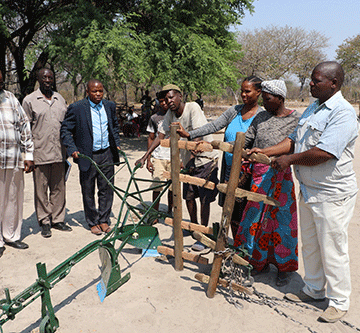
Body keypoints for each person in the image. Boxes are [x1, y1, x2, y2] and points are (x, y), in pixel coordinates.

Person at [250, 62, 358, 323]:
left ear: (334, 83)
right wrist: (266, 153)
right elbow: (294, 140)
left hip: (332, 193)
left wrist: (289, 160)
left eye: (316, 80)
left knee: (332, 248)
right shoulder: (313, 108)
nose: (310, 84)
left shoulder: (342, 113)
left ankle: (339, 301)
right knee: (310, 244)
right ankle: (313, 288)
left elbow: (325, 152)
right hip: (309, 190)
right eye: (311, 79)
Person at [176, 76, 263, 238]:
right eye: (242, 91)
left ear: (258, 92)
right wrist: (190, 134)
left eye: (248, 91)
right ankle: (235, 246)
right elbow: (214, 125)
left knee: (246, 210)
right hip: (229, 168)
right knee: (229, 211)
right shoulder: (235, 111)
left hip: (248, 171)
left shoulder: (262, 115)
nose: (244, 95)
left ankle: (246, 249)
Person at [233, 80, 300, 287]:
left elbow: (292, 144)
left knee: (282, 222)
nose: (264, 101)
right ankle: (257, 262)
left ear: (280, 98)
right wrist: (236, 148)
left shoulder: (295, 118)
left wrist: (264, 152)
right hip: (259, 174)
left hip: (281, 176)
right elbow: (249, 140)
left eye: (268, 98)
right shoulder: (261, 116)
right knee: (255, 218)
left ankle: (283, 267)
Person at [136, 84, 219, 251]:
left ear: (180, 96)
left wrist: (190, 157)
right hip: (189, 162)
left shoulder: (193, 108)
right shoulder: (170, 114)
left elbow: (199, 134)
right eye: (166, 99)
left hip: (204, 160)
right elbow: (160, 135)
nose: (169, 101)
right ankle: (195, 228)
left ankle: (203, 235)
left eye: (172, 97)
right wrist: (146, 156)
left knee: (203, 200)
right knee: (189, 197)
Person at [60, 79, 121, 235]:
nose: (98, 94)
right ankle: (92, 221)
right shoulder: (77, 108)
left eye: (100, 91)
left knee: (106, 189)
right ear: (87, 92)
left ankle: (104, 220)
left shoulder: (109, 106)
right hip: (87, 155)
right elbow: (65, 130)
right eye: (94, 91)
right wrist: (72, 149)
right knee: (88, 190)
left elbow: (114, 126)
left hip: (106, 153)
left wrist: (117, 143)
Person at [22, 68, 72, 238]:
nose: (47, 80)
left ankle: (58, 219)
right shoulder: (29, 100)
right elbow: (25, 128)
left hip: (59, 151)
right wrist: (28, 155)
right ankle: (44, 221)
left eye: (50, 77)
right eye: (44, 77)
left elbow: (66, 125)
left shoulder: (60, 99)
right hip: (40, 152)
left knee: (59, 187)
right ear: (38, 79)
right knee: (41, 189)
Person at [0, 70, 34, 257]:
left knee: (13, 198)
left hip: (13, 158)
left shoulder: (11, 98)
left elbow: (24, 125)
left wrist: (28, 154)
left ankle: (11, 235)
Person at [146, 96, 173, 222]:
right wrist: (148, 159)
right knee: (156, 186)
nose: (164, 103)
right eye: (161, 101)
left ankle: (170, 211)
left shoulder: (176, 115)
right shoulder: (154, 118)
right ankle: (154, 214)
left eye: (165, 100)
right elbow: (151, 138)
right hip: (159, 156)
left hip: (173, 157)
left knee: (173, 188)